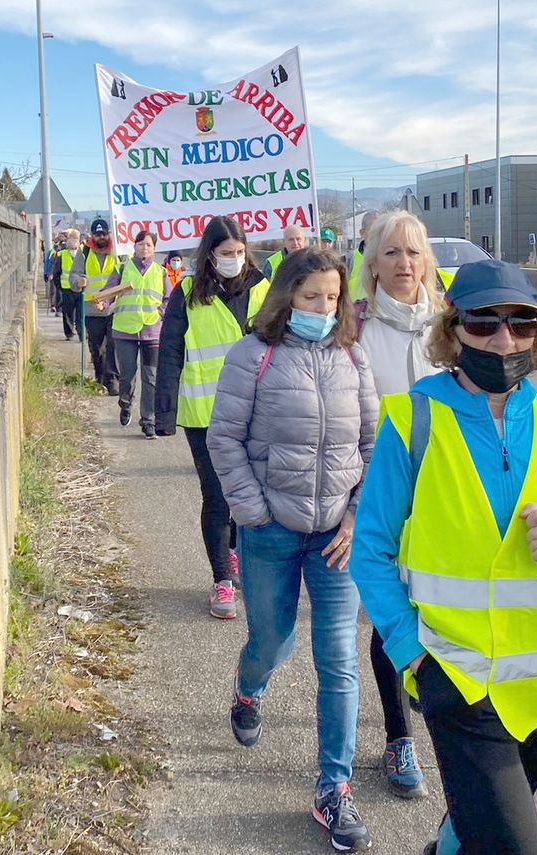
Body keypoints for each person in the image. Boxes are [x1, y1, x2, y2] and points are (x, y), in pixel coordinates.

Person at [351, 259, 537, 855]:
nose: (504, 338)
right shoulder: (415, 419)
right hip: (457, 678)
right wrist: (411, 653)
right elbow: (371, 551)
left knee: (479, 826)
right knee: (513, 846)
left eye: (522, 323)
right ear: (453, 330)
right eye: (483, 322)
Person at [207, 247, 378, 853]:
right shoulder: (253, 357)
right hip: (271, 530)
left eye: (333, 298)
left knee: (338, 661)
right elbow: (223, 439)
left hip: (335, 538)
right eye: (311, 298)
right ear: (286, 298)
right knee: (271, 640)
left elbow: (372, 444)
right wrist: (252, 511)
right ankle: (249, 687)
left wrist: (356, 518)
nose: (324, 309)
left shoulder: (352, 358)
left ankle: (333, 789)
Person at [352, 210, 444, 799]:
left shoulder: (454, 325)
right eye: (391, 253)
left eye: (413, 253)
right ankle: (397, 736)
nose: (404, 264)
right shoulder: (354, 329)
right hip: (379, 490)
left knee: (435, 606)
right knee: (389, 612)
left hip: (444, 495)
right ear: (373, 264)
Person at [155, 216, 271, 620]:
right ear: (210, 255)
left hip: (255, 411)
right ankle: (221, 577)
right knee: (217, 497)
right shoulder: (187, 293)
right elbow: (169, 352)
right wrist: (163, 413)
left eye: (239, 253)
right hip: (204, 413)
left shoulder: (261, 288)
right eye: (226, 254)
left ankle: (232, 552)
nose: (234, 260)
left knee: (246, 494)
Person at [92, 229, 164, 437]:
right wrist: (102, 303)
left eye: (149, 244)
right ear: (134, 246)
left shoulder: (160, 271)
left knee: (150, 377)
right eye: (141, 244)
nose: (144, 248)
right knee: (127, 375)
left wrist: (161, 313)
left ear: (154, 248)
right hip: (125, 331)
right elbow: (107, 293)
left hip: (151, 330)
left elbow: (168, 298)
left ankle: (148, 420)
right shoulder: (122, 268)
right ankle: (125, 404)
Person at [71, 219, 121, 396]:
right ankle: (100, 378)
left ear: (109, 233)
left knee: (113, 346)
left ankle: (113, 380)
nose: (101, 237)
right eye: (97, 234)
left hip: (114, 308)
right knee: (97, 348)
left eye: (104, 234)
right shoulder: (84, 252)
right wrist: (78, 281)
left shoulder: (118, 251)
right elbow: (74, 275)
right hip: (92, 310)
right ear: (92, 235)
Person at [54, 230, 85, 340]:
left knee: (80, 313)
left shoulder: (83, 254)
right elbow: (56, 273)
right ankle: (69, 333)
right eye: (72, 239)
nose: (74, 242)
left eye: (76, 239)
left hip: (80, 289)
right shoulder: (62, 255)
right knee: (68, 313)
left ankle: (81, 333)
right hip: (67, 289)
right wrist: (60, 287)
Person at [346, 211, 378, 301]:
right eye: (373, 230)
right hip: (354, 313)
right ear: (362, 233)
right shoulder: (348, 260)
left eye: (382, 230)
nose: (378, 235)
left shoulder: (391, 260)